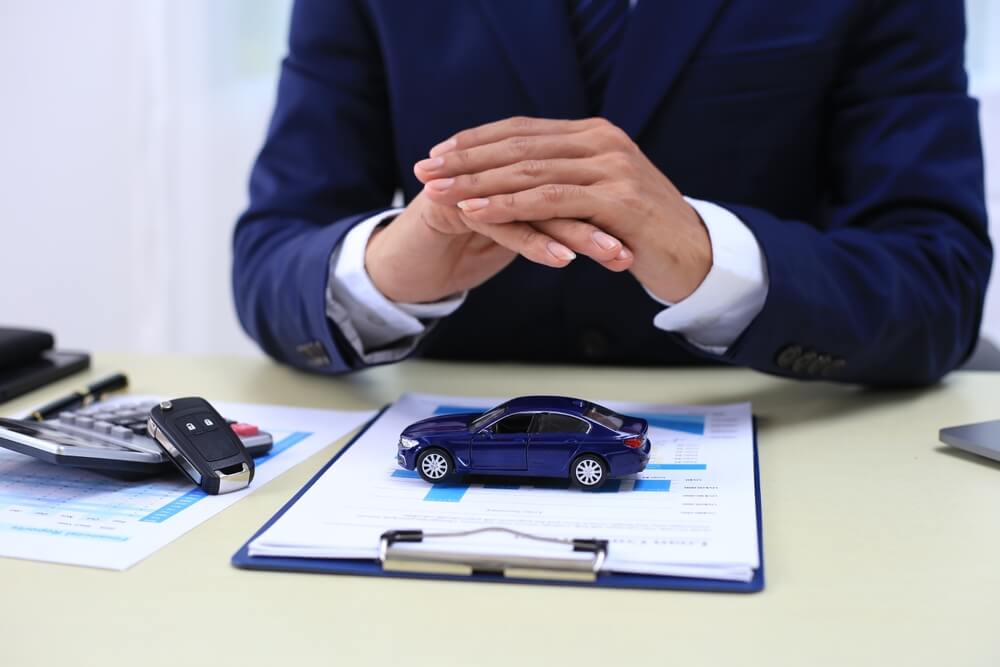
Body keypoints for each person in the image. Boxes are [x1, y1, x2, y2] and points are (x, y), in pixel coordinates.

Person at [232, 0, 992, 387]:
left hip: (786, 441)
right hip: (457, 453)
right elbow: (272, 254)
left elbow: (937, 276)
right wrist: (383, 273)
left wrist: (713, 258)